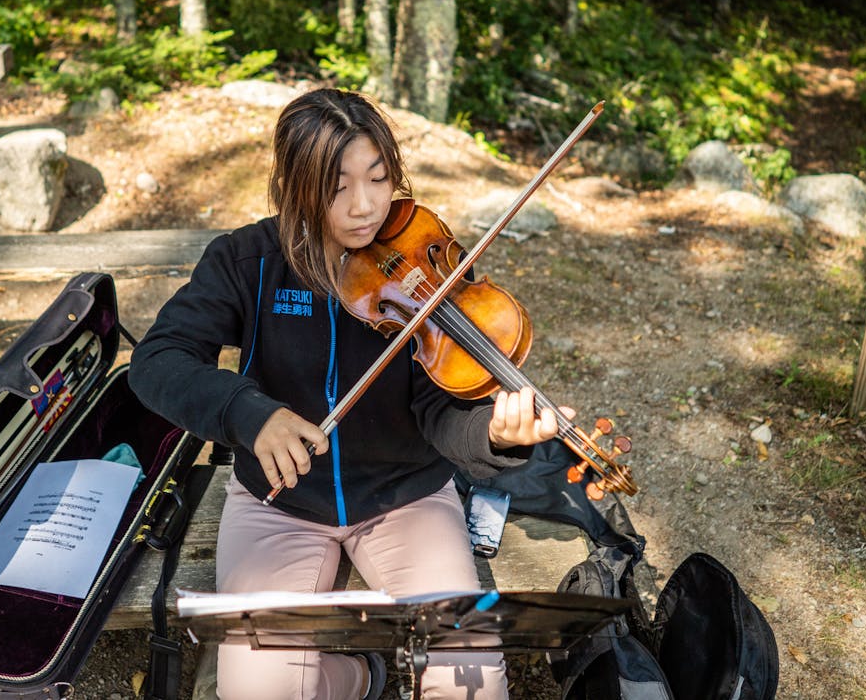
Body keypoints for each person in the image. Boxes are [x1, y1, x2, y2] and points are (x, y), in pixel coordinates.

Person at [129, 88, 566, 700]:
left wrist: (495, 435)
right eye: (337, 187)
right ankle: (363, 676)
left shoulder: (419, 267)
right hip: (277, 502)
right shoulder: (246, 261)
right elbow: (157, 361)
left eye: (379, 178)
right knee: (258, 691)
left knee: (472, 680)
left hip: (406, 498)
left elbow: (442, 414)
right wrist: (249, 414)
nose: (363, 207)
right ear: (295, 186)